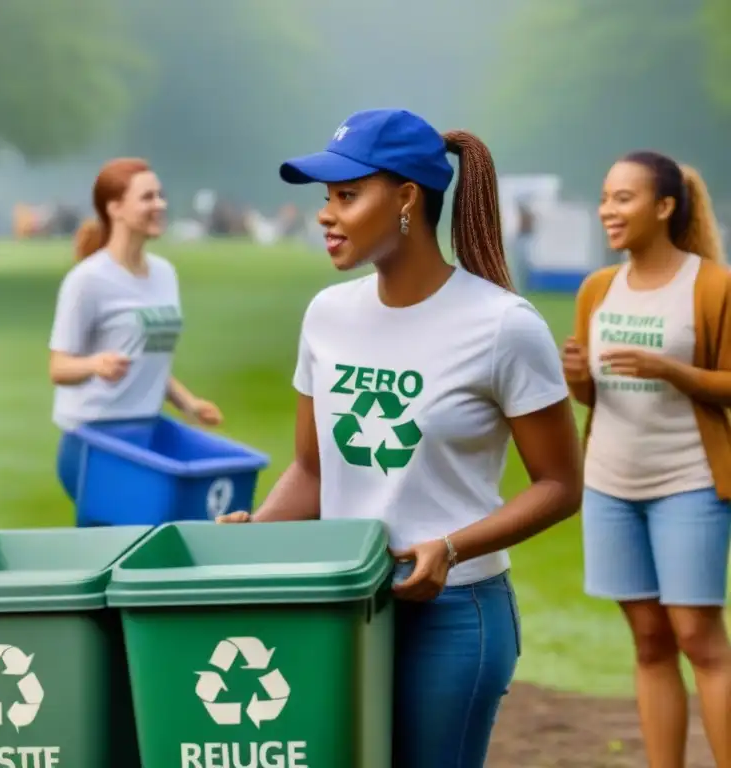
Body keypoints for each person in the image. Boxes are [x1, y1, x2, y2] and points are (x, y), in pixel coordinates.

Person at [216, 108, 584, 767]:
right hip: (341, 606)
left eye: (348, 196)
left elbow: (560, 485)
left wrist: (450, 547)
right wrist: (261, 536)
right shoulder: (327, 315)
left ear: (408, 197)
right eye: (326, 198)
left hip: (453, 612)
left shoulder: (503, 326)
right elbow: (312, 466)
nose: (326, 215)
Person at [564, 152, 731, 768]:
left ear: (664, 207)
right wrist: (578, 378)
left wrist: (673, 371)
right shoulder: (598, 289)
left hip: (688, 482)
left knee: (698, 638)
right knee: (650, 640)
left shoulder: (712, 285)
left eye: (624, 198)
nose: (609, 209)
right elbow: (592, 396)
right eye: (606, 196)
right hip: (610, 485)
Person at [48, 157, 222, 499]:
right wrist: (94, 365)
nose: (160, 205)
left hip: (146, 431)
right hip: (94, 440)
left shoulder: (164, 274)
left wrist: (188, 403)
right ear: (115, 208)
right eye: (147, 198)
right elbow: (58, 368)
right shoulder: (87, 280)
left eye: (160, 195)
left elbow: (146, 357)